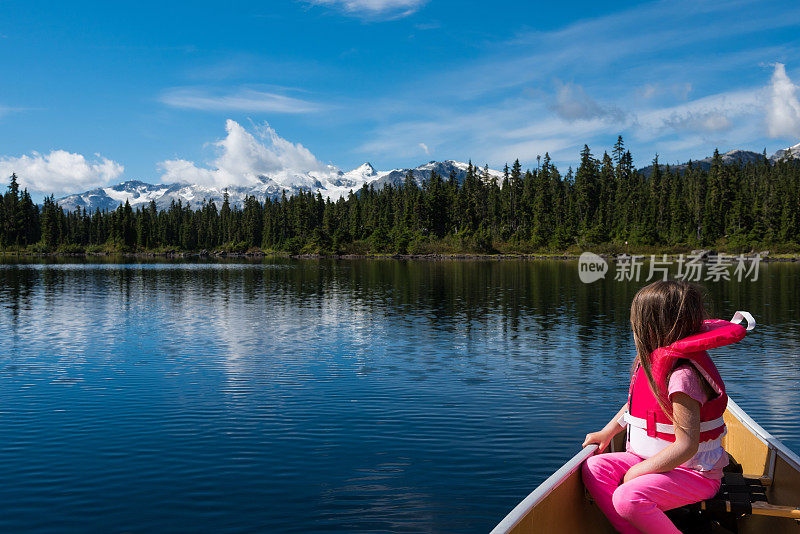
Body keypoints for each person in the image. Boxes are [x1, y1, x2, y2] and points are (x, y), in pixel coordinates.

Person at [581, 280, 753, 533]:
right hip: (649, 457)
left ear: (651, 326)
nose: (632, 325)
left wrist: (636, 472)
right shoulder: (650, 361)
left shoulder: (682, 377)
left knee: (628, 497)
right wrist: (607, 433)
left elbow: (686, 446)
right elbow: (635, 408)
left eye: (635, 320)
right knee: (594, 467)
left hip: (694, 473)